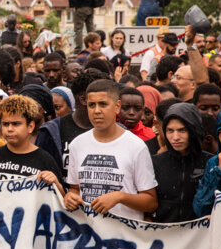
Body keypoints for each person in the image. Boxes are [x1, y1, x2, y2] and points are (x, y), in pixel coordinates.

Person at [64, 79, 158, 220]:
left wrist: (120, 197)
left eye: (103, 104)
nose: (97, 111)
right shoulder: (77, 144)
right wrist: (70, 197)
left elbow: (151, 202)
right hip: (88, 230)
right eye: (91, 105)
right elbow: (75, 188)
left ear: (117, 106)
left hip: (123, 231)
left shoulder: (136, 146)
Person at [0, 95, 64, 190]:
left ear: (30, 127)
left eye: (16, 124)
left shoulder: (45, 160)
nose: (10, 129)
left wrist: (56, 184)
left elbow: (62, 197)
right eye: (5, 124)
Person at [149, 103, 210, 223]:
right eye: (170, 130)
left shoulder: (210, 162)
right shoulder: (155, 163)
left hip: (200, 233)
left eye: (182, 130)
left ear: (193, 130)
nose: (175, 137)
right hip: (162, 232)